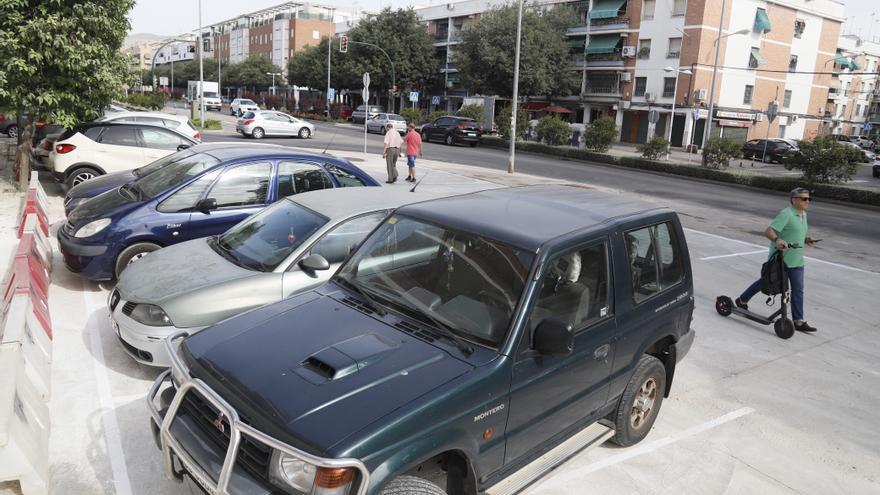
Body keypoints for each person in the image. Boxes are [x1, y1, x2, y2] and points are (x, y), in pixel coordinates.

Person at [736, 188, 819, 332]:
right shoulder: (786, 214)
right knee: (765, 282)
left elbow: (795, 234)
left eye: (809, 199)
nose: (807, 201)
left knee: (798, 290)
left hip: (797, 261)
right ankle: (742, 299)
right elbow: (769, 231)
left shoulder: (803, 215)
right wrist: (777, 239)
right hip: (781, 260)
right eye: (804, 199)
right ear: (794, 200)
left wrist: (806, 239)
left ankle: (798, 321)